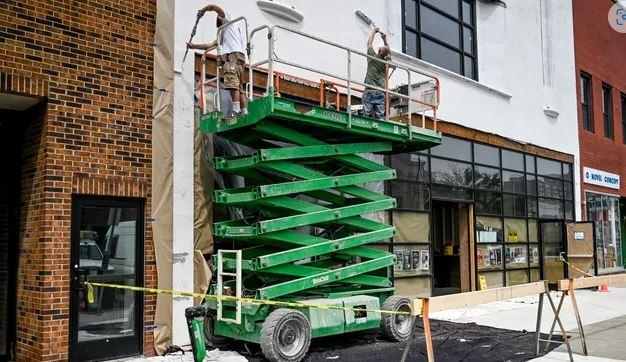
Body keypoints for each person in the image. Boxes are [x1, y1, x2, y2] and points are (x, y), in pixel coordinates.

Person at [188, 4, 248, 117]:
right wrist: (193, 46)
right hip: (239, 57)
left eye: (219, 17)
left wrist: (203, 10)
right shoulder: (223, 32)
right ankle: (244, 111)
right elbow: (209, 45)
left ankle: (235, 111)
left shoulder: (228, 20)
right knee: (239, 87)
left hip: (232, 56)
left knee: (232, 84)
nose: (218, 17)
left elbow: (214, 7)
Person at [362, 27, 390, 120]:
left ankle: (365, 121)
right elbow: (388, 52)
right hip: (381, 92)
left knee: (366, 114)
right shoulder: (386, 63)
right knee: (380, 116)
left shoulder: (372, 57)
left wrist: (373, 31)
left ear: (378, 51)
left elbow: (369, 43)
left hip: (370, 90)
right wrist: (384, 39)